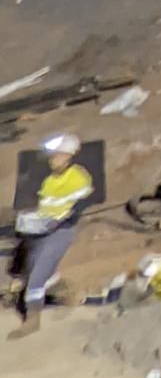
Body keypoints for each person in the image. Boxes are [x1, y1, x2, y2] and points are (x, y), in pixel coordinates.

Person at [10, 132, 94, 337]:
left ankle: (32, 320)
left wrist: (64, 219)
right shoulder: (50, 180)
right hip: (42, 229)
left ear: (67, 156)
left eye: (56, 155)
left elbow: (83, 202)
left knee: (36, 278)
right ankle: (68, 294)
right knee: (31, 270)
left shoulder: (78, 177)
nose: (52, 160)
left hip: (61, 231)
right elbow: (47, 206)